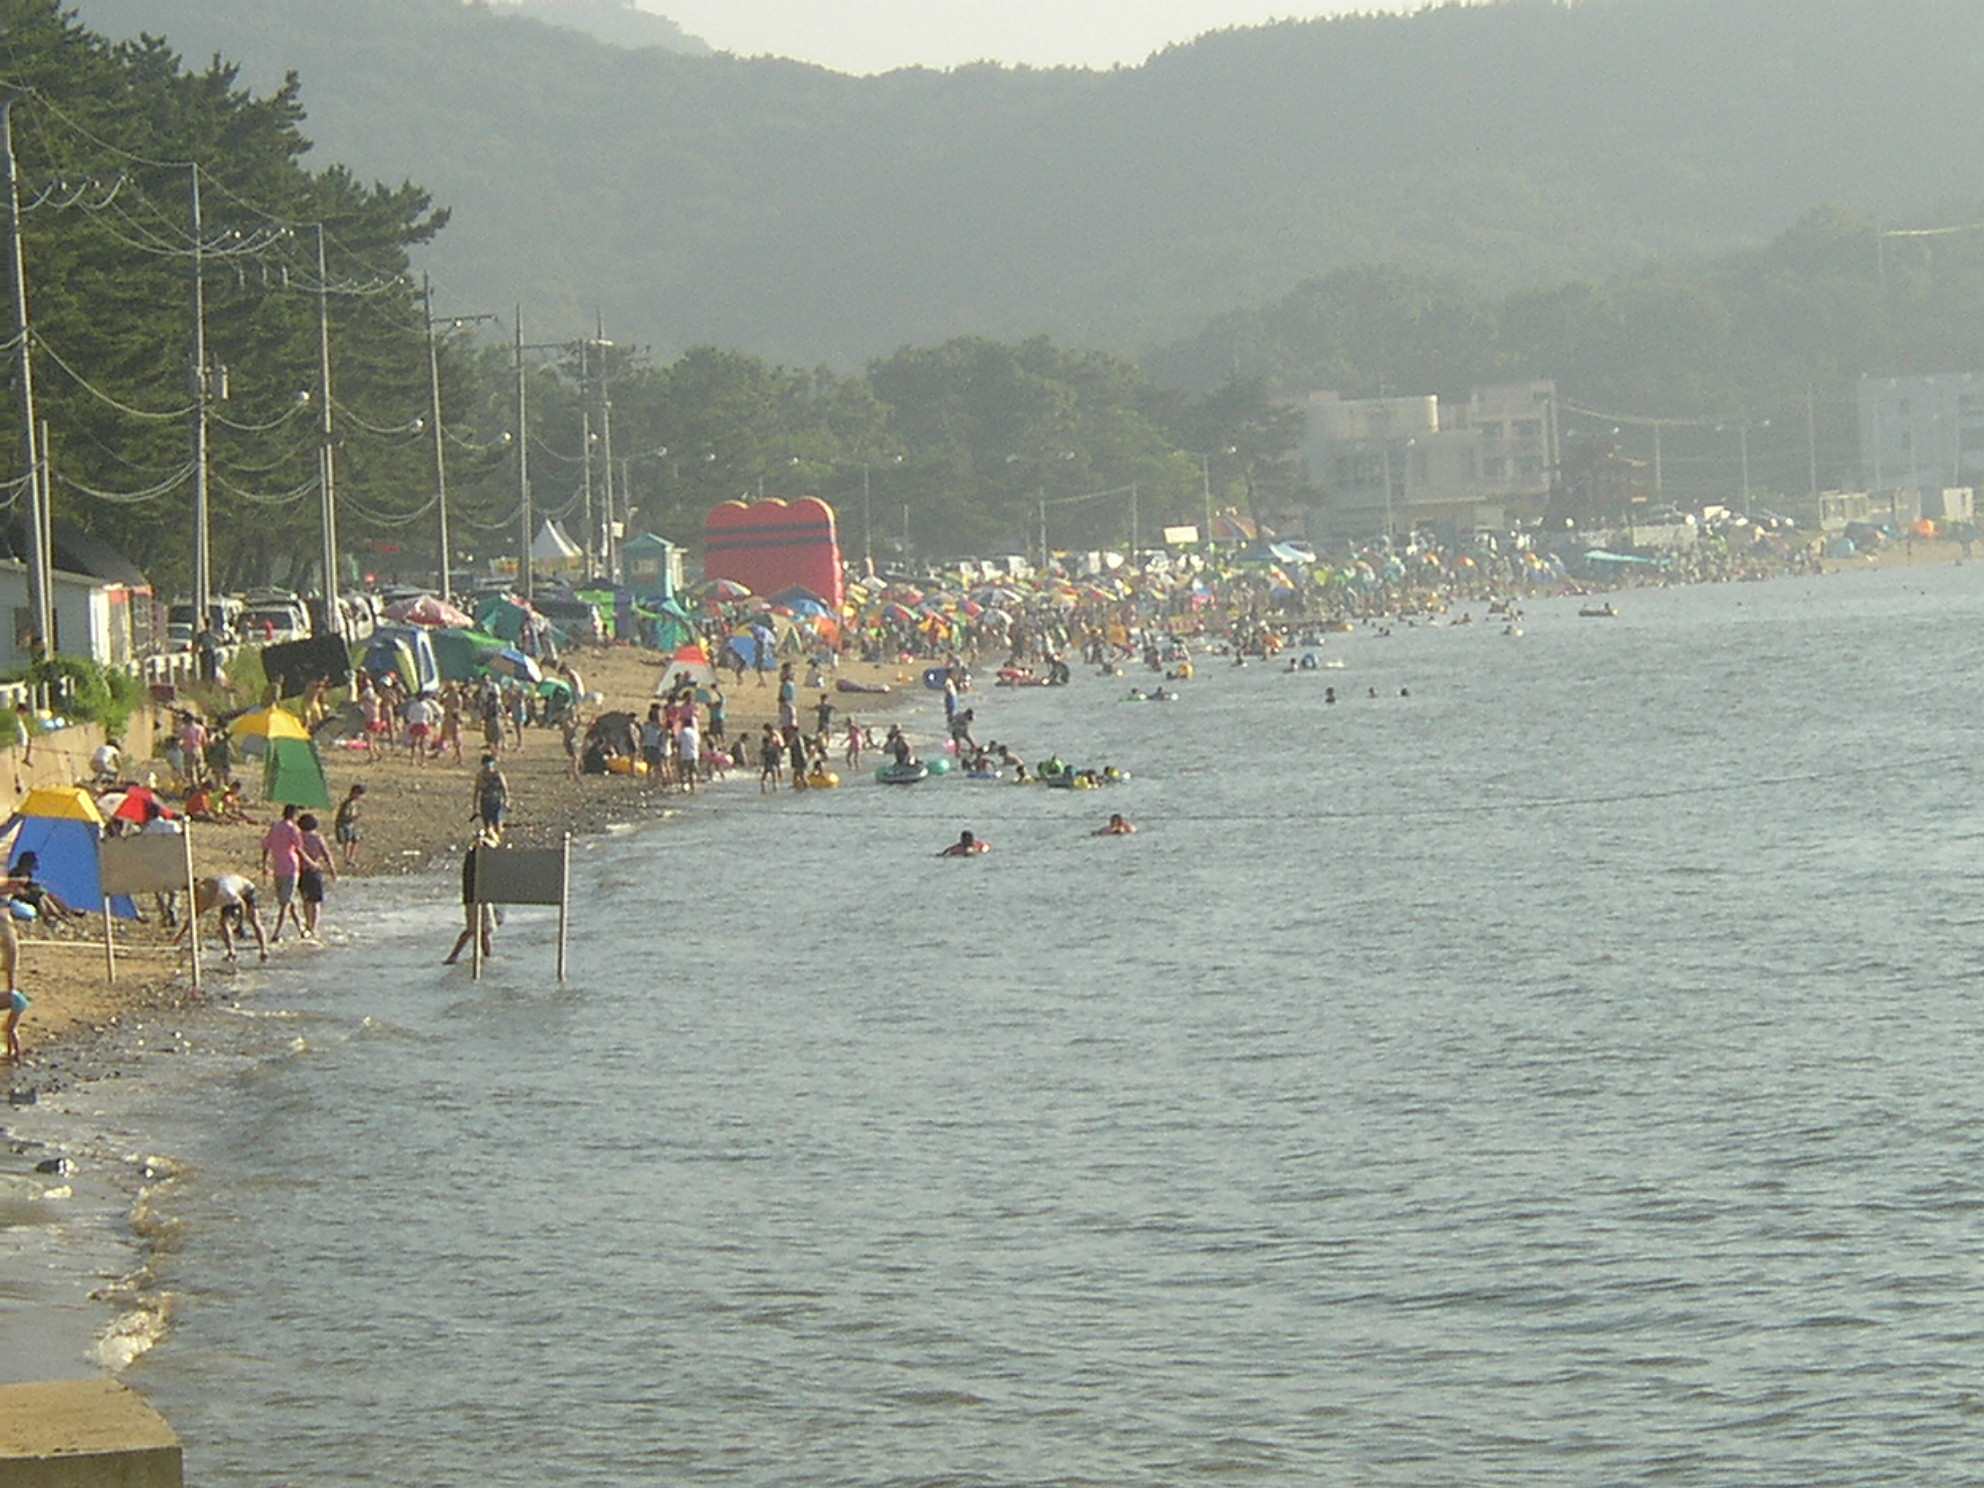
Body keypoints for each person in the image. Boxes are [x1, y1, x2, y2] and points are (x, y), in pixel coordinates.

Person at [184, 873, 269, 963]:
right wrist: (179, 937)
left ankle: (264, 950)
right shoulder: (204, 898)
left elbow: (241, 904)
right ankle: (231, 952)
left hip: (247, 890)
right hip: (230, 896)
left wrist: (240, 924)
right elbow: (193, 917)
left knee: (254, 919)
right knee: (223, 922)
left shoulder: (225, 891)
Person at [444, 833, 497, 965]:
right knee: (473, 929)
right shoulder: (475, 857)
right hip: (474, 897)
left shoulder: (477, 858)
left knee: (484, 930)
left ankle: (486, 957)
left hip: (480, 896)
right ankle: (453, 956)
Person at [261, 803, 305, 942]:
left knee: (288, 899)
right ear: (294, 815)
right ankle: (277, 933)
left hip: (278, 867)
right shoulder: (293, 829)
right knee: (286, 903)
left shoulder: (275, 828)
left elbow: (266, 846)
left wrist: (264, 864)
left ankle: (301, 929)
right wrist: (311, 863)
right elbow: (299, 848)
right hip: (291, 867)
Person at [8, 852, 81, 931]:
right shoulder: (14, 874)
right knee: (41, 898)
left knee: (47, 895)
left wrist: (36, 887)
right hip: (18, 899)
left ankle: (67, 910)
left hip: (28, 895)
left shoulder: (28, 874)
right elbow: (15, 890)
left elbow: (29, 886)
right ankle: (53, 916)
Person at [296, 812, 335, 941]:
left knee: (306, 900)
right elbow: (326, 853)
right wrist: (332, 868)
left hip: (301, 870)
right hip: (314, 870)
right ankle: (314, 926)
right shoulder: (317, 838)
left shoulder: (298, 837)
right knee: (316, 901)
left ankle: (308, 924)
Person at [473, 754, 508, 839]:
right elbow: (476, 791)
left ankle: (498, 841)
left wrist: (507, 801)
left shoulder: (498, 775)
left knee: (498, 825)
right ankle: (492, 841)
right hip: (486, 803)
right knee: (488, 826)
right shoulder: (480, 776)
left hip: (497, 802)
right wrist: (475, 807)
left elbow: (505, 789)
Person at [333, 783, 366, 868]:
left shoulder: (353, 803)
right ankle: (347, 859)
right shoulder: (347, 804)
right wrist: (355, 816)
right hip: (344, 824)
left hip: (350, 824)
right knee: (347, 841)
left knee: (355, 840)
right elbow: (345, 816)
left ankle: (352, 858)